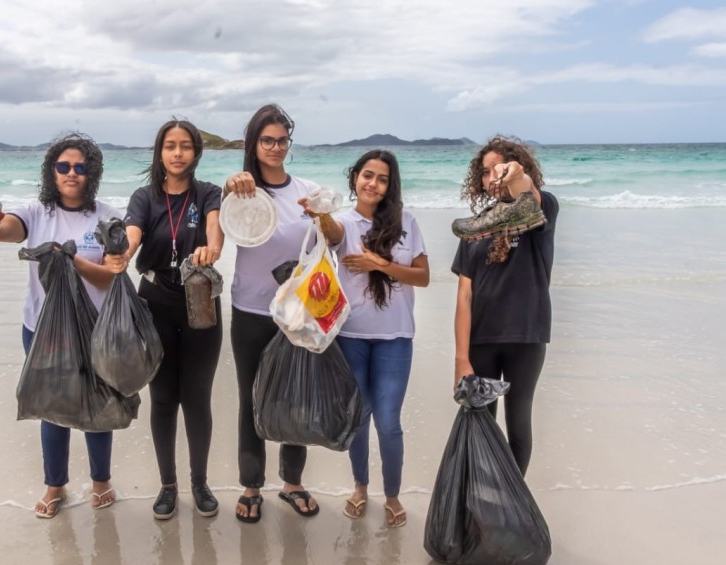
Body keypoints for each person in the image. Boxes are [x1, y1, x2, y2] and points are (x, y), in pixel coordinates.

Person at [0, 132, 126, 518]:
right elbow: (6, 227)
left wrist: (73, 261)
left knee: (98, 407)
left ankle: (102, 482)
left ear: (92, 173)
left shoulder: (108, 216)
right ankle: (55, 486)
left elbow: (111, 278)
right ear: (52, 170)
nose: (71, 173)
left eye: (80, 167)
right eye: (63, 166)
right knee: (52, 409)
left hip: (96, 329)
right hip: (42, 328)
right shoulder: (36, 212)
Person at [223, 104, 330, 523]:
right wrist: (233, 183)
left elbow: (329, 245)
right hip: (250, 308)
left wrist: (323, 216)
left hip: (296, 312)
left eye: (282, 139)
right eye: (267, 140)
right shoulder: (238, 192)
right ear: (254, 144)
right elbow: (223, 220)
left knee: (294, 398)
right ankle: (251, 485)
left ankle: (292, 482)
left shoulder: (307, 190)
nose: (276, 147)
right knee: (251, 397)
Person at [315, 150, 429, 528]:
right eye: (367, 175)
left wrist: (379, 264)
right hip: (352, 336)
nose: (373, 184)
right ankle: (361, 487)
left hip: (395, 337)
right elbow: (330, 235)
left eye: (381, 178)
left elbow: (422, 277)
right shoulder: (343, 225)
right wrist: (319, 213)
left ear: (389, 185)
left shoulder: (407, 223)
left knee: (389, 422)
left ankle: (393, 494)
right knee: (359, 418)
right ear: (355, 179)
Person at [121, 119, 224, 520]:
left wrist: (212, 249)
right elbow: (132, 233)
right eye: (170, 146)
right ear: (160, 152)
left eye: (185, 146)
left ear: (196, 152)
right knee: (163, 399)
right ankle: (168, 486)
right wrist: (123, 254)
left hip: (200, 300)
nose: (177, 153)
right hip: (154, 303)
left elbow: (215, 231)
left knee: (197, 399)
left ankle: (200, 483)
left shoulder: (208, 193)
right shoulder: (145, 197)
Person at [451, 136, 559, 475]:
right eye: (485, 172)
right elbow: (464, 296)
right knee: (481, 423)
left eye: (497, 168)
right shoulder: (477, 228)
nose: (491, 177)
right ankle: (485, 498)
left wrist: (515, 176)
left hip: (526, 335)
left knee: (518, 422)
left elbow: (528, 190)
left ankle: (511, 506)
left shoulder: (542, 211)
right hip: (482, 338)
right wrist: (461, 358)